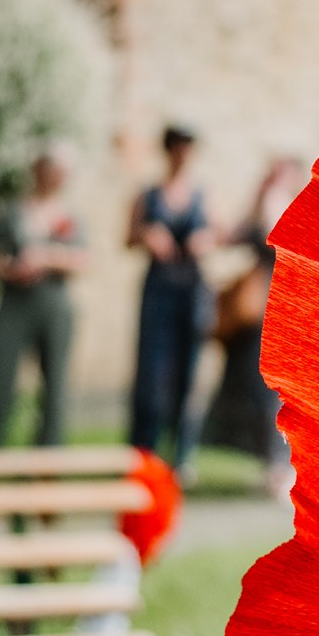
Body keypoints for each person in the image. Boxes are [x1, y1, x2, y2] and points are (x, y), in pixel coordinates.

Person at [0, 143, 88, 447]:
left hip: (54, 303)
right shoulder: (13, 211)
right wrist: (10, 267)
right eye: (47, 168)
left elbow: (84, 260)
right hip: (15, 301)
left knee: (55, 385)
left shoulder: (70, 216)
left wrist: (46, 257)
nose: (52, 176)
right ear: (37, 170)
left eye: (59, 171)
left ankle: (48, 460)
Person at [202, 154, 305, 497]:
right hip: (256, 318)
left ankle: (282, 466)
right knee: (254, 391)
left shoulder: (294, 205)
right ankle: (271, 463)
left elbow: (275, 235)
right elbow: (233, 236)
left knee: (277, 394)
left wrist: (270, 195)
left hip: (284, 312)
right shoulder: (263, 204)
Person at [127, 124, 215, 477]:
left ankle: (181, 455)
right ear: (169, 150)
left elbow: (220, 231)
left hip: (191, 291)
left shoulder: (203, 195)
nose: (184, 155)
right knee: (151, 374)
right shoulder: (147, 195)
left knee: (188, 374)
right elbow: (128, 236)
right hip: (158, 290)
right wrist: (147, 234)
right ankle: (143, 451)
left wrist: (204, 239)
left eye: (189, 148)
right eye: (179, 147)